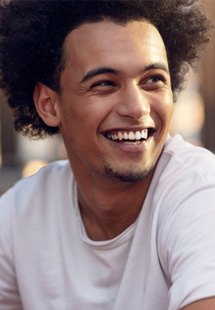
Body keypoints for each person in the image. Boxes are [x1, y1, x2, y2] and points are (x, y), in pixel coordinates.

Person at [0, 0, 214, 309]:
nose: (138, 108)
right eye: (104, 84)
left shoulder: (200, 194)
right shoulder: (22, 214)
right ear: (49, 104)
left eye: (153, 80)